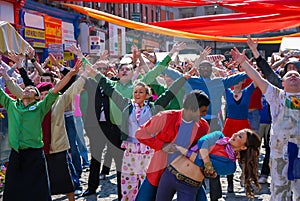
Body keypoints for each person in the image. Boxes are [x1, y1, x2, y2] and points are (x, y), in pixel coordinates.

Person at [90, 60, 191, 201]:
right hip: (130, 152)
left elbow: (169, 93)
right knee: (128, 187)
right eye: (135, 92)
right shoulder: (125, 105)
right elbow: (108, 87)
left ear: (148, 95)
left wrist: (184, 77)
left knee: (147, 185)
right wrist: (90, 68)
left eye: (141, 92)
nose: (137, 94)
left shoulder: (154, 108)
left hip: (148, 151)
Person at [164, 57, 248, 201]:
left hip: (214, 122)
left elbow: (235, 78)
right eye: (202, 67)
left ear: (211, 69)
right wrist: (159, 65)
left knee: (216, 156)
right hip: (196, 123)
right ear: (198, 69)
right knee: (195, 156)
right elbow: (176, 76)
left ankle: (216, 196)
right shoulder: (192, 80)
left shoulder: (218, 82)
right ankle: (196, 190)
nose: (205, 69)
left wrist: (250, 69)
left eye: (208, 67)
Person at [231, 47, 300, 201]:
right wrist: (244, 63)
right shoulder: (277, 95)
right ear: (282, 82)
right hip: (280, 153)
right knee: (279, 192)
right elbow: (259, 80)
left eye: (296, 74)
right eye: (289, 75)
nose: (293, 76)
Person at [0, 61, 76, 201]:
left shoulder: (40, 107)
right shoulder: (11, 105)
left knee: (39, 193)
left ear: (36, 97)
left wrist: (70, 74)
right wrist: (5, 75)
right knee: (12, 193)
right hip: (16, 154)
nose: (28, 89)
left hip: (35, 154)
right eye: (26, 88)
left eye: (32, 89)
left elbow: (56, 89)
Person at [135, 90, 211, 201]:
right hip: (160, 169)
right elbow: (140, 133)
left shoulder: (204, 127)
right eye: (202, 111)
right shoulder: (165, 117)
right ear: (191, 108)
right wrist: (162, 145)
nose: (205, 115)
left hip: (188, 173)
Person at [175, 128, 261, 200]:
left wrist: (183, 151)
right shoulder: (219, 136)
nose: (234, 134)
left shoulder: (230, 166)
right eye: (237, 133)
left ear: (243, 147)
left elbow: (199, 160)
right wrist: (207, 164)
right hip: (174, 170)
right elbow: (202, 141)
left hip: (191, 183)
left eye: (239, 136)